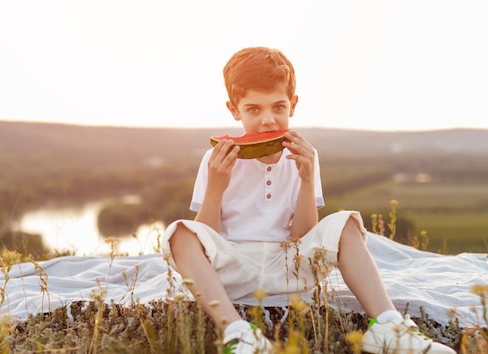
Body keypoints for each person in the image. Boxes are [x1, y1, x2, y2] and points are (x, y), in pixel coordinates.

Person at [161, 47, 456, 354]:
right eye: (253, 109)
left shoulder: (304, 156)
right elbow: (206, 235)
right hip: (233, 270)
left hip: (289, 270)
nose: (267, 121)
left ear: (293, 104)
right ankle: (239, 333)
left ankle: (386, 326)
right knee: (180, 232)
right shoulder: (216, 159)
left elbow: (303, 236)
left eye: (278, 107)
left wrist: (305, 178)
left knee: (345, 223)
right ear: (234, 110)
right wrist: (217, 186)